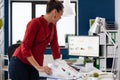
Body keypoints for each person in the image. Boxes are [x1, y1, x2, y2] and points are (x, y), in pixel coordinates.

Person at [8, 0, 64, 80]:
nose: (60, 18)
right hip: (20, 63)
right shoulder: (34, 23)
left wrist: (60, 63)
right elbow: (25, 47)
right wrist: (38, 67)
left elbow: (54, 45)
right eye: (60, 15)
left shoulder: (53, 26)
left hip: (34, 65)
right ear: (55, 12)